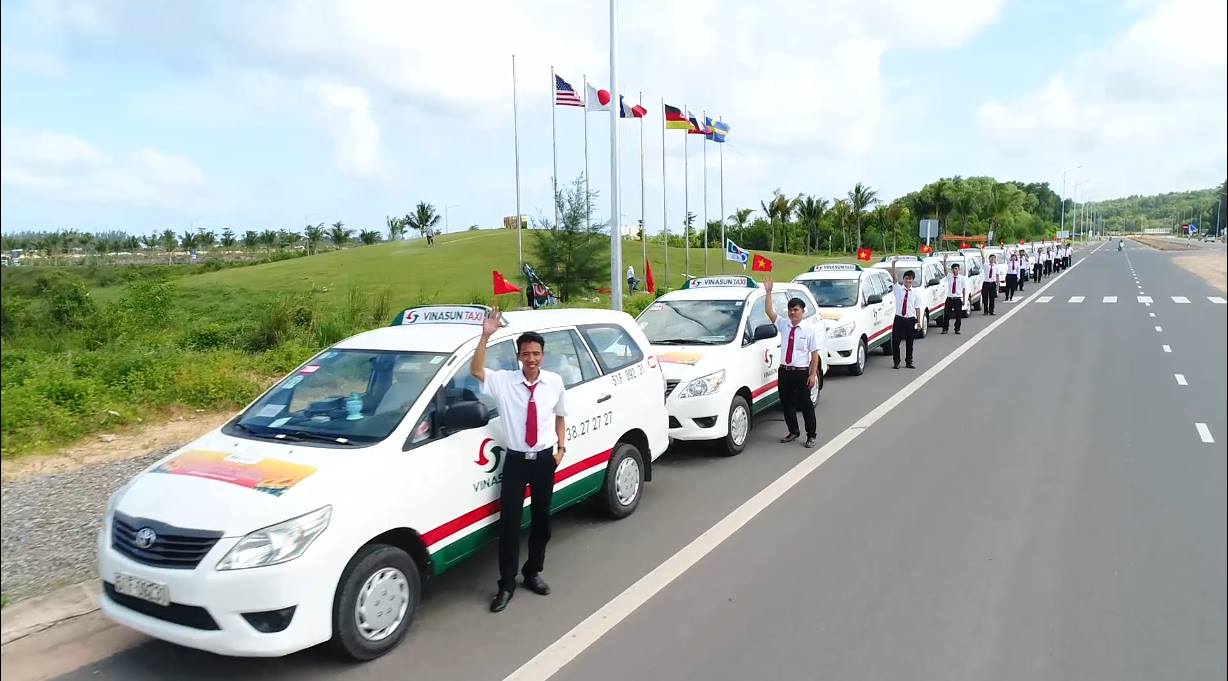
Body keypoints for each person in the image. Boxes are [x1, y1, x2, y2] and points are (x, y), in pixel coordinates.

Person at [471, 311, 569, 613]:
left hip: (543, 460)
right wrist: (486, 334)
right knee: (510, 525)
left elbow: (561, 416)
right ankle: (506, 584)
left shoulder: (554, 382)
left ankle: (533, 572)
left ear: (543, 355)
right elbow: (476, 371)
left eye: (536, 353)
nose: (531, 359)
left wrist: (561, 448)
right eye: (526, 354)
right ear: (518, 356)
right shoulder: (504, 382)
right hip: (515, 461)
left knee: (542, 521)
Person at [764, 276, 819, 448]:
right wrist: (768, 293)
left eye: (795, 310)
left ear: (802, 311)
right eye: (790, 310)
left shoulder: (809, 330)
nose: (792, 313)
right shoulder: (783, 325)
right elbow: (769, 312)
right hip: (785, 370)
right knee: (786, 402)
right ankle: (793, 431)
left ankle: (811, 435)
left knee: (805, 404)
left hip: (801, 371)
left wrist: (812, 374)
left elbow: (814, 354)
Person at [888, 263, 923, 369]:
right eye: (906, 279)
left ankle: (909, 361)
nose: (908, 281)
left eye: (910, 279)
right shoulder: (898, 289)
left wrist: (918, 321)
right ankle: (896, 361)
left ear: (912, 280)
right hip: (899, 318)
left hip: (910, 319)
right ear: (903, 279)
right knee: (896, 341)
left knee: (909, 342)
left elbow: (917, 308)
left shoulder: (916, 293)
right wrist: (893, 265)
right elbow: (894, 278)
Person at [940, 259, 969, 335]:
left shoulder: (962, 278)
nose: (955, 270)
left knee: (958, 315)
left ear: (959, 269)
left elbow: (963, 289)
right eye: (953, 269)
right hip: (950, 298)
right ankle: (945, 328)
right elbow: (945, 271)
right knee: (946, 315)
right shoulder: (949, 276)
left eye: (956, 269)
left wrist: (964, 300)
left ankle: (957, 328)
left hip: (957, 299)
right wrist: (945, 262)